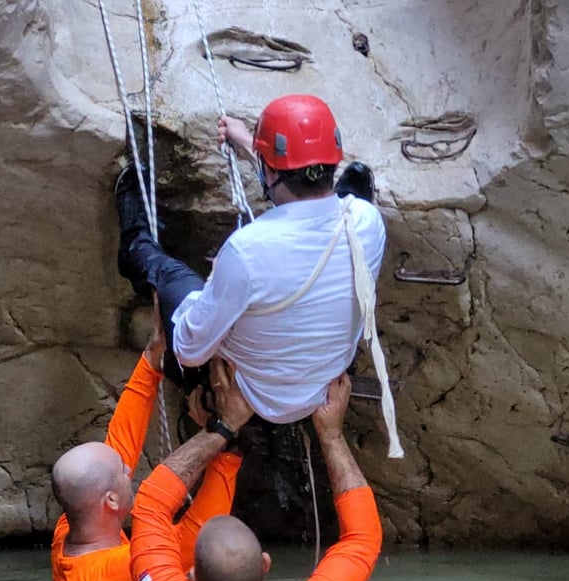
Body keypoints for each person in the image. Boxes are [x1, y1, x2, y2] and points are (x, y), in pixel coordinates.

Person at [115, 94, 387, 432]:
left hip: (257, 394)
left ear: (269, 171)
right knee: (349, 200)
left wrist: (212, 289)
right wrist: (250, 144)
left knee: (173, 276)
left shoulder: (247, 251)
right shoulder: (367, 220)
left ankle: (135, 245)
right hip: (322, 383)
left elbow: (189, 350)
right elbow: (312, 191)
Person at [131, 371, 383, 581]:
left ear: (193, 576)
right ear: (265, 564)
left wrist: (223, 427)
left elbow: (150, 505)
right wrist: (331, 435)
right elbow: (363, 538)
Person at [49, 316, 246, 581]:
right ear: (110, 500)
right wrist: (225, 444)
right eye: (123, 473)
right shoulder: (116, 571)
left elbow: (118, 446)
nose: (129, 467)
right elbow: (193, 536)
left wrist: (151, 361)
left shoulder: (70, 528)